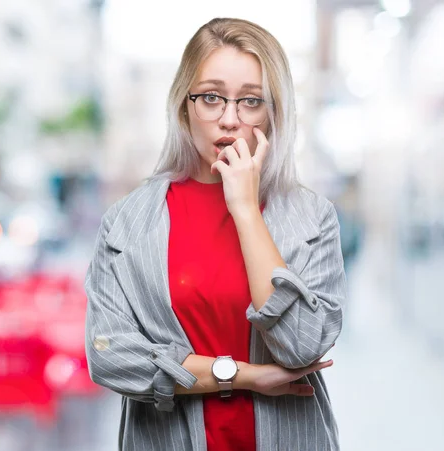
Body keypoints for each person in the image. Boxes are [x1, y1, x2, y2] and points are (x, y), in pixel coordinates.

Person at [84, 17, 346, 451]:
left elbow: (301, 345)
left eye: (250, 101)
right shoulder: (126, 223)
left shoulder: (312, 217)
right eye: (211, 97)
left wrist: (245, 209)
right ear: (185, 106)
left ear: (273, 112)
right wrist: (242, 376)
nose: (229, 119)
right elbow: (110, 357)